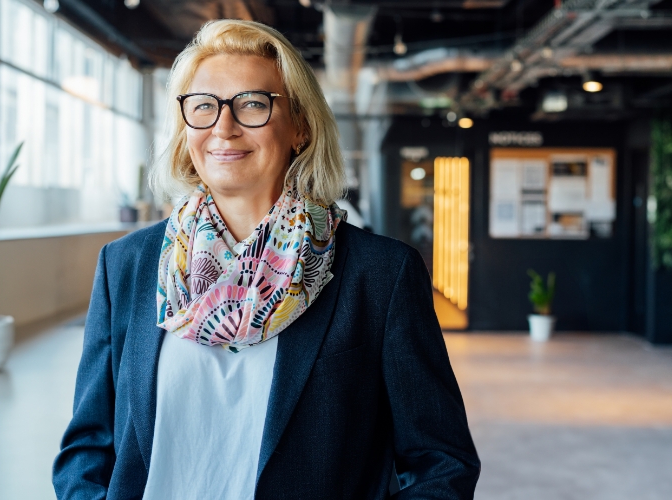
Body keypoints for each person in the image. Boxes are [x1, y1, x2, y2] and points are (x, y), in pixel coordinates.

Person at [53, 19, 479, 500]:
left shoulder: (379, 274)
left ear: (299, 126)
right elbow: (88, 445)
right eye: (204, 107)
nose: (224, 127)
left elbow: (442, 461)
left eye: (253, 104)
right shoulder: (127, 265)